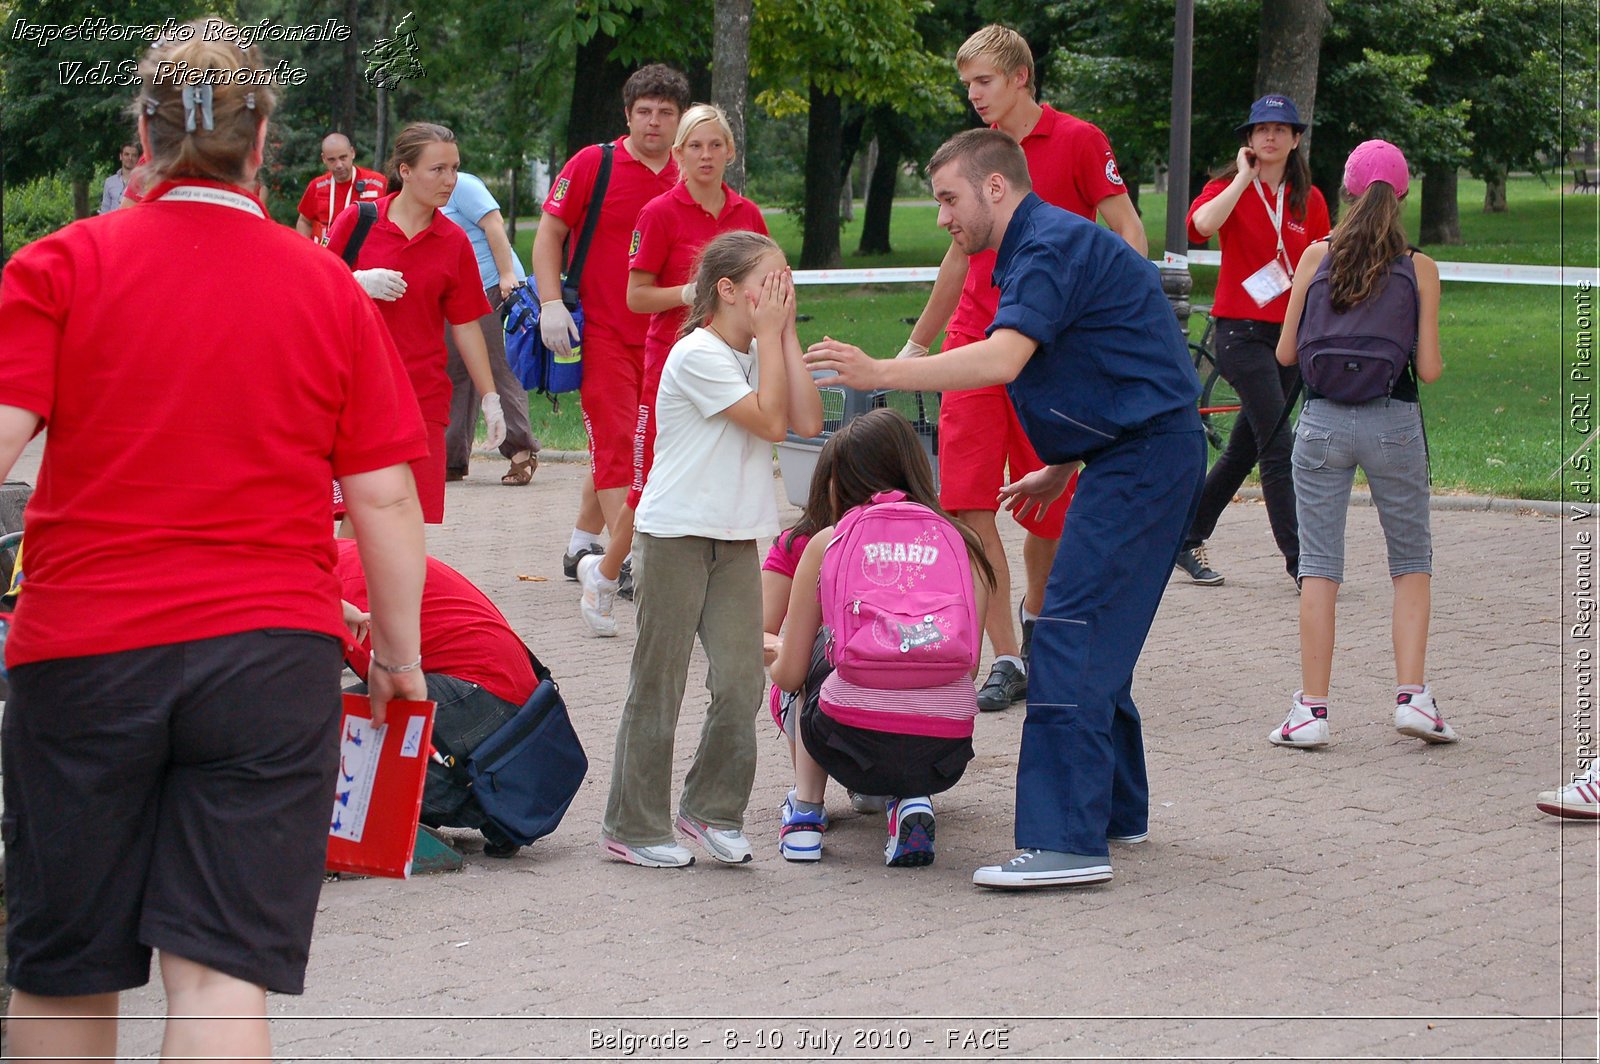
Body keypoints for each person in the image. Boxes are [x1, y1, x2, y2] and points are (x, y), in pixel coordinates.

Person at [0, 21, 428, 1060]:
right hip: (268, 660)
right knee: (220, 971)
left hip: (83, 654)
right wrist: (402, 661)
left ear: (140, 134)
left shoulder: (57, 266)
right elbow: (384, 501)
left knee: (63, 970)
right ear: (265, 134)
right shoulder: (328, 287)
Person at [805, 129, 1204, 890]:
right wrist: (1063, 462)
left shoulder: (1045, 245)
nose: (943, 218)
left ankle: (1066, 843)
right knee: (1093, 629)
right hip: (1137, 452)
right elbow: (1115, 357)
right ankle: (1116, 810)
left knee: (1068, 632)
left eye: (950, 199)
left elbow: (1004, 357)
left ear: (995, 188)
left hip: (1145, 460)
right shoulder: (1040, 244)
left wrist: (889, 368)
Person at [899, 25, 1146, 713]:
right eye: (968, 84)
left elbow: (1125, 227)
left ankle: (1038, 617)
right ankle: (1005, 655)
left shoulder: (1079, 141)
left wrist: (1125, 318)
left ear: (1020, 78)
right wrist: (920, 345)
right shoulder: (974, 160)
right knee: (969, 502)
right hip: (975, 345)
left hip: (1050, 350)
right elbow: (957, 256)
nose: (974, 95)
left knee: (1049, 514)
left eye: (983, 81)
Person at [600, 231, 821, 868]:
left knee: (741, 680)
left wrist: (783, 335)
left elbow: (806, 421)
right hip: (673, 535)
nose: (782, 293)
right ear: (727, 290)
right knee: (659, 680)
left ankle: (710, 811)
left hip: (735, 538)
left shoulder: (761, 354)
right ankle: (633, 825)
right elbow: (772, 423)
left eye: (788, 281)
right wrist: (772, 340)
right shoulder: (698, 354)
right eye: (770, 281)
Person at [1270, 139, 1456, 749]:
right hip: (1393, 422)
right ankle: (1411, 698)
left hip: (1322, 422)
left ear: (1347, 190)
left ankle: (1312, 712)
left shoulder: (1314, 257)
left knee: (1320, 569)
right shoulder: (1419, 266)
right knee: (1410, 562)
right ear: (1401, 195)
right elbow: (1427, 369)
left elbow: (1286, 353)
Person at [770, 409, 995, 867]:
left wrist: (773, 651)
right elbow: (967, 666)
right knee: (915, 667)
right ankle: (911, 801)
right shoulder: (963, 540)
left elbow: (790, 672)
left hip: (847, 738)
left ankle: (806, 815)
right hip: (944, 747)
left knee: (814, 657)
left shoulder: (828, 541)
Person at [576, 102, 769, 635]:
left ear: (730, 151)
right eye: (694, 147)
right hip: (671, 367)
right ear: (678, 155)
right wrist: (688, 292)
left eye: (715, 145)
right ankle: (605, 573)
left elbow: (768, 283)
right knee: (650, 483)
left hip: (735, 364)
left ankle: (715, 594)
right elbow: (636, 297)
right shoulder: (659, 212)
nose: (705, 156)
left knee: (726, 470)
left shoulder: (747, 215)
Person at [531, 64, 689, 584]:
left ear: (680, 120)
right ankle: (632, 562)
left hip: (666, 336)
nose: (654, 123)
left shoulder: (690, 172)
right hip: (598, 332)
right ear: (628, 115)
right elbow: (550, 232)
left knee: (644, 444)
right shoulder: (592, 164)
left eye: (666, 113)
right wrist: (550, 302)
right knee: (620, 442)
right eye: (644, 111)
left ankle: (583, 544)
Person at [1174, 94, 1331, 588]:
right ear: (1248, 139)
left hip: (1291, 335)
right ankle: (1302, 562)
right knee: (1278, 446)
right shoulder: (1227, 187)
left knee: (1244, 449)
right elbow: (1200, 227)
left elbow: (1325, 263)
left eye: (1280, 130)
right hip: (1239, 334)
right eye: (1261, 129)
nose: (1270, 137)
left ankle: (1185, 536)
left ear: (1296, 139)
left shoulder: (1312, 198)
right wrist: (1243, 178)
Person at [326, 123, 506, 524]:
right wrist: (355, 282)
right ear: (405, 171)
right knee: (365, 515)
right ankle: (348, 588)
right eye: (437, 169)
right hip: (359, 391)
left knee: (406, 517)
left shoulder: (453, 240)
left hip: (423, 396)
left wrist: (490, 398)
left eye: (455, 169)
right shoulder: (359, 221)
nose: (450, 181)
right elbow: (312, 292)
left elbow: (465, 325)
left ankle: (377, 589)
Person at [333, 539, 539, 855]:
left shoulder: (346, 587)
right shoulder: (341, 561)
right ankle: (489, 804)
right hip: (499, 686)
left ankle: (491, 810)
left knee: (332, 741)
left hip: (486, 689)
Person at [439, 171, 540, 486]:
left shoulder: (463, 185)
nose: (443, 172)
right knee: (453, 369)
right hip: (454, 293)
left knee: (498, 368)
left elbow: (494, 225)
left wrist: (507, 274)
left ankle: (520, 450)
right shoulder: (425, 194)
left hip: (493, 287)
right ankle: (450, 457)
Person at [296, 132, 387, 245]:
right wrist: (306, 248)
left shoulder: (377, 183)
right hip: (327, 254)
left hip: (364, 256)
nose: (339, 165)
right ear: (324, 159)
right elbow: (304, 221)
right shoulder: (317, 186)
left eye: (343, 157)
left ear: (352, 153)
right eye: (332, 160)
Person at [98, 143, 139, 213]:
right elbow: (104, 210)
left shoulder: (143, 182)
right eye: (127, 154)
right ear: (120, 156)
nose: (130, 158)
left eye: (134, 155)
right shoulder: (109, 182)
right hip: (113, 222)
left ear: (138, 159)